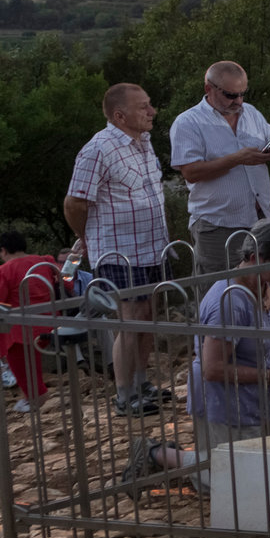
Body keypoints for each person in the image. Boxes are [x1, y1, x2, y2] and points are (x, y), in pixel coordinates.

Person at [128, 220, 270, 491]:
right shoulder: (230, 300)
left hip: (258, 396)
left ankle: (169, 457)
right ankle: (157, 454)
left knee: (258, 475)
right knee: (235, 484)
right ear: (255, 257)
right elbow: (212, 368)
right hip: (225, 401)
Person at [65, 82, 170, 415]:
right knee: (129, 319)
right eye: (144, 107)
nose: (152, 111)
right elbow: (74, 201)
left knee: (148, 314)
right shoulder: (98, 149)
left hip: (154, 246)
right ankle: (125, 395)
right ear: (120, 115)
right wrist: (87, 238)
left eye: (149, 104)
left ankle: (142, 382)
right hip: (120, 250)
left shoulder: (144, 143)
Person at [170, 61, 270, 276]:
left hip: (258, 220)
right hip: (218, 224)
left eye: (243, 93)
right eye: (231, 95)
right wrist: (236, 159)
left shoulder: (251, 113)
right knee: (220, 292)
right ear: (209, 89)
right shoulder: (188, 122)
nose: (239, 101)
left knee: (260, 288)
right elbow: (191, 172)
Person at [0, 233, 62, 414]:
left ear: (3, 250)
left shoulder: (3, 271)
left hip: (19, 331)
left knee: (26, 372)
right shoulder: (44, 263)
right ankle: (29, 400)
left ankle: (40, 405)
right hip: (48, 323)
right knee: (32, 366)